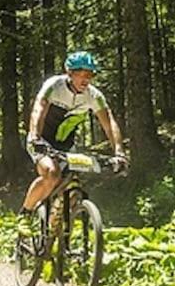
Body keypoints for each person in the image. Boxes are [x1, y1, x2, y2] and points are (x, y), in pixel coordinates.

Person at [21, 51, 128, 216]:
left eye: (90, 74)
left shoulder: (94, 96)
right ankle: (25, 214)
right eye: (82, 74)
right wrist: (35, 136)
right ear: (69, 73)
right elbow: (38, 110)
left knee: (74, 185)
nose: (86, 79)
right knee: (52, 173)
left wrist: (119, 152)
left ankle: (60, 226)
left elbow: (109, 124)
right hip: (41, 139)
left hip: (66, 145)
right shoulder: (54, 86)